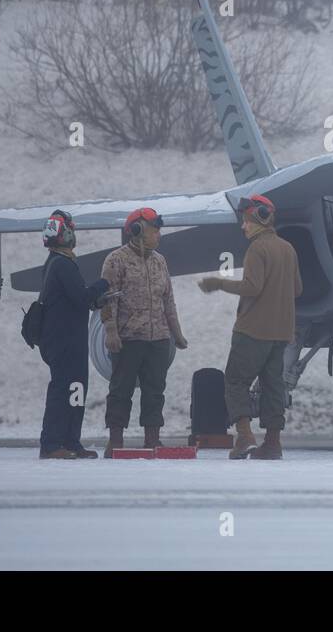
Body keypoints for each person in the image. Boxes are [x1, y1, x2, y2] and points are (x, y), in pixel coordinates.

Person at [198, 194, 302, 460]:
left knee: (235, 380)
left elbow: (252, 287)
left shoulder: (257, 248)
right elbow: (298, 289)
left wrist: (219, 283)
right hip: (281, 333)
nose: (243, 227)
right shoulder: (288, 248)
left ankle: (244, 436)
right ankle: (272, 443)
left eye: (246, 221)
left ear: (258, 219)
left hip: (253, 330)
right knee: (273, 385)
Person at [99, 207, 189, 458]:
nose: (159, 234)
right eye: (154, 229)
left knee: (155, 391)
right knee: (120, 390)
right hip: (129, 339)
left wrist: (176, 333)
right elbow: (107, 301)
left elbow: (168, 301)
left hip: (158, 339)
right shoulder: (115, 260)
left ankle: (153, 438)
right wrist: (111, 332)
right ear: (137, 230)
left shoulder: (160, 261)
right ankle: (115, 440)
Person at [37, 210, 110, 459]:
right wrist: (103, 284)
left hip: (66, 340)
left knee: (74, 389)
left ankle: (70, 441)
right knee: (64, 390)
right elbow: (82, 298)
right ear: (65, 233)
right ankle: (52, 444)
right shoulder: (63, 265)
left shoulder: (56, 263)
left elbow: (75, 300)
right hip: (65, 341)